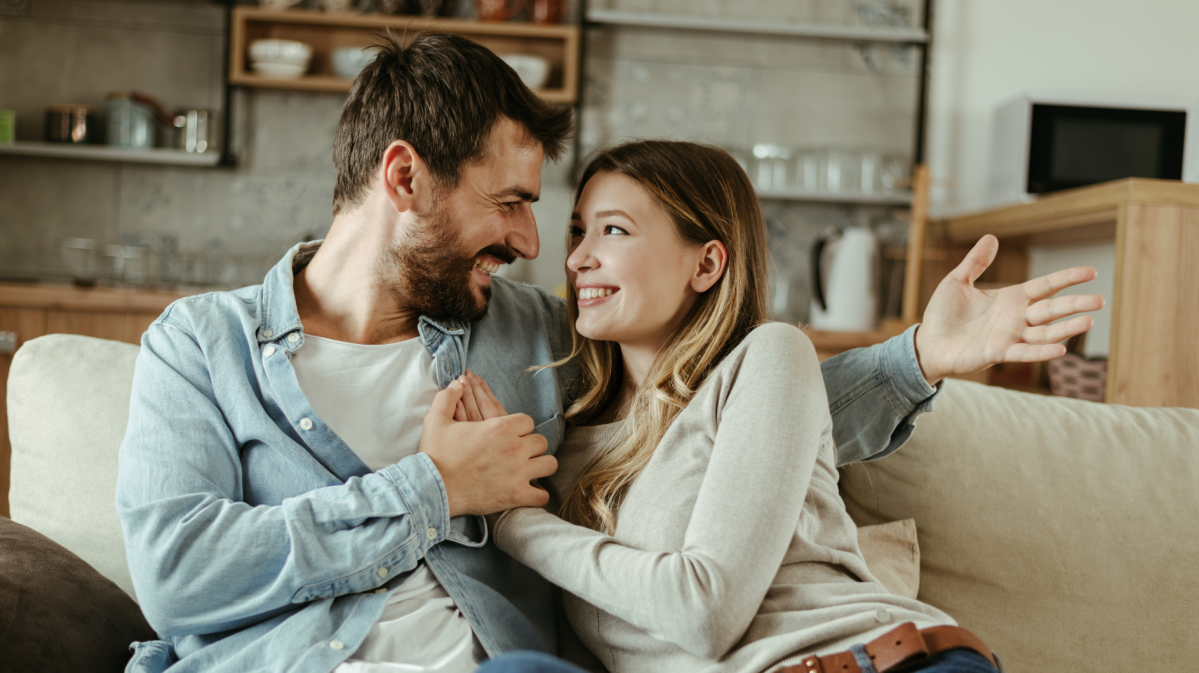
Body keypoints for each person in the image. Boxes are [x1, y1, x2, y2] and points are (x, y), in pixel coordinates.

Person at [115, 33, 1100, 673]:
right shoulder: (203, 346)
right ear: (404, 177)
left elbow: (711, 414)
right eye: (509, 204)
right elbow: (176, 573)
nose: (535, 246)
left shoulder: (529, 337)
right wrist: (431, 488)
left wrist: (914, 358)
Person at [469, 140, 1103, 673]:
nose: (578, 257)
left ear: (707, 263)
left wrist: (513, 523)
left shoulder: (768, 359)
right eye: (578, 231)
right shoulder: (564, 451)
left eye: (613, 230)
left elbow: (704, 612)